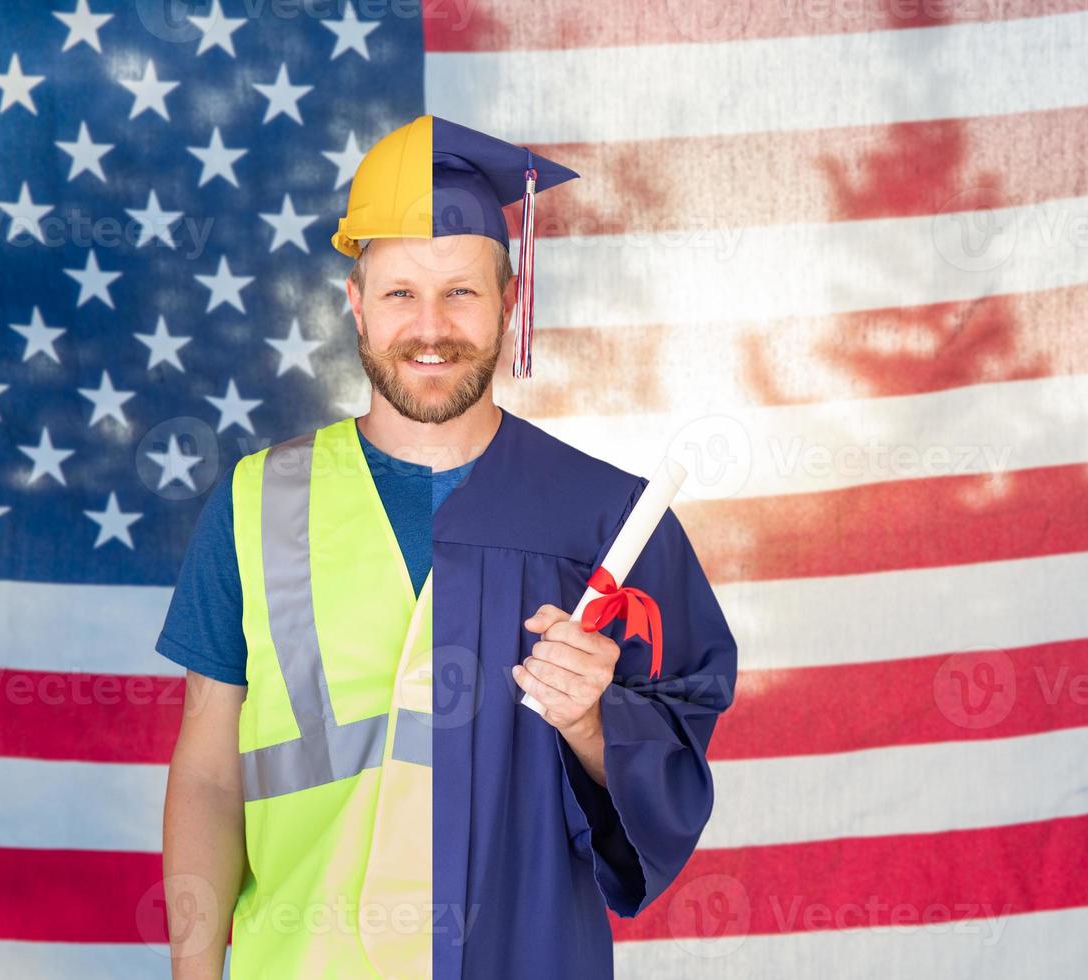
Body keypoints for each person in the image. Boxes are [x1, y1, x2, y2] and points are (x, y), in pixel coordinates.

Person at [158, 114, 738, 979]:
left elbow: (672, 783)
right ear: (355, 304)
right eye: (399, 293)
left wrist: (591, 720)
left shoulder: (610, 521)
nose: (430, 327)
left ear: (509, 299)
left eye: (461, 291)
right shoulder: (256, 500)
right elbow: (207, 770)